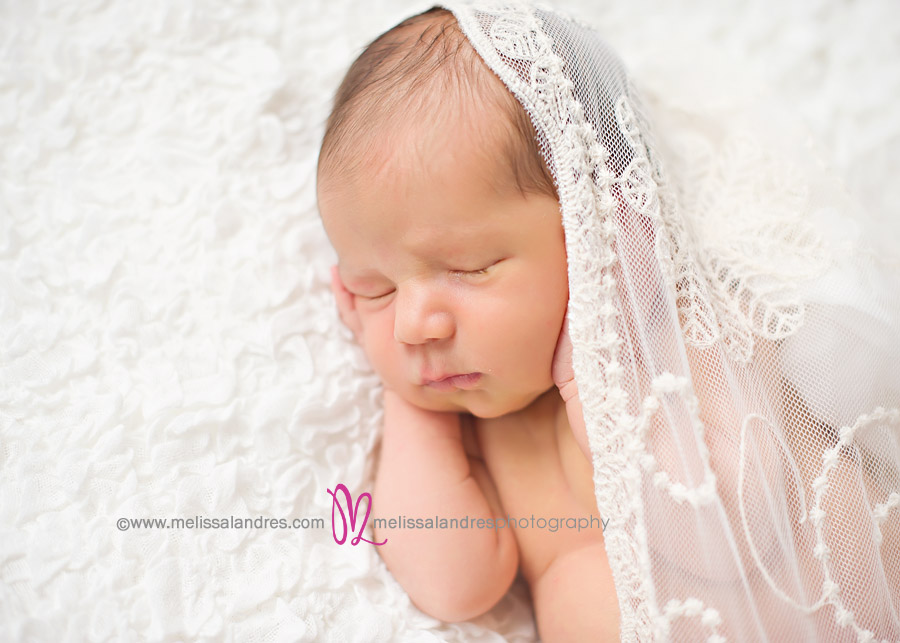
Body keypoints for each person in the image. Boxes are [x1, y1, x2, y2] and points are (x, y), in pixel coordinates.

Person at [318, 2, 900, 641]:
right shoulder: (482, 432)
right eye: (374, 290)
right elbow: (452, 585)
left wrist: (594, 385)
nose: (414, 324)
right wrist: (411, 405)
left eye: (467, 267)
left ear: (601, 226)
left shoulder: (690, 343)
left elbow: (736, 529)